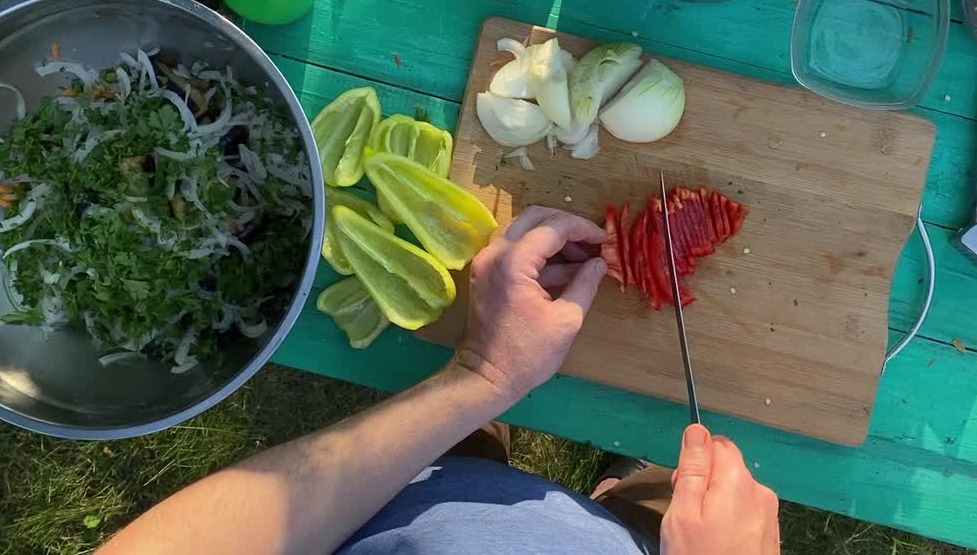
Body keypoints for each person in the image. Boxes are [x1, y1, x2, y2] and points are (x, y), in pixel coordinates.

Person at [100, 206, 780, 555]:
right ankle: (623, 497)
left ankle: (474, 452)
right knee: (656, 505)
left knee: (458, 470)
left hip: (410, 518)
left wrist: (481, 377)